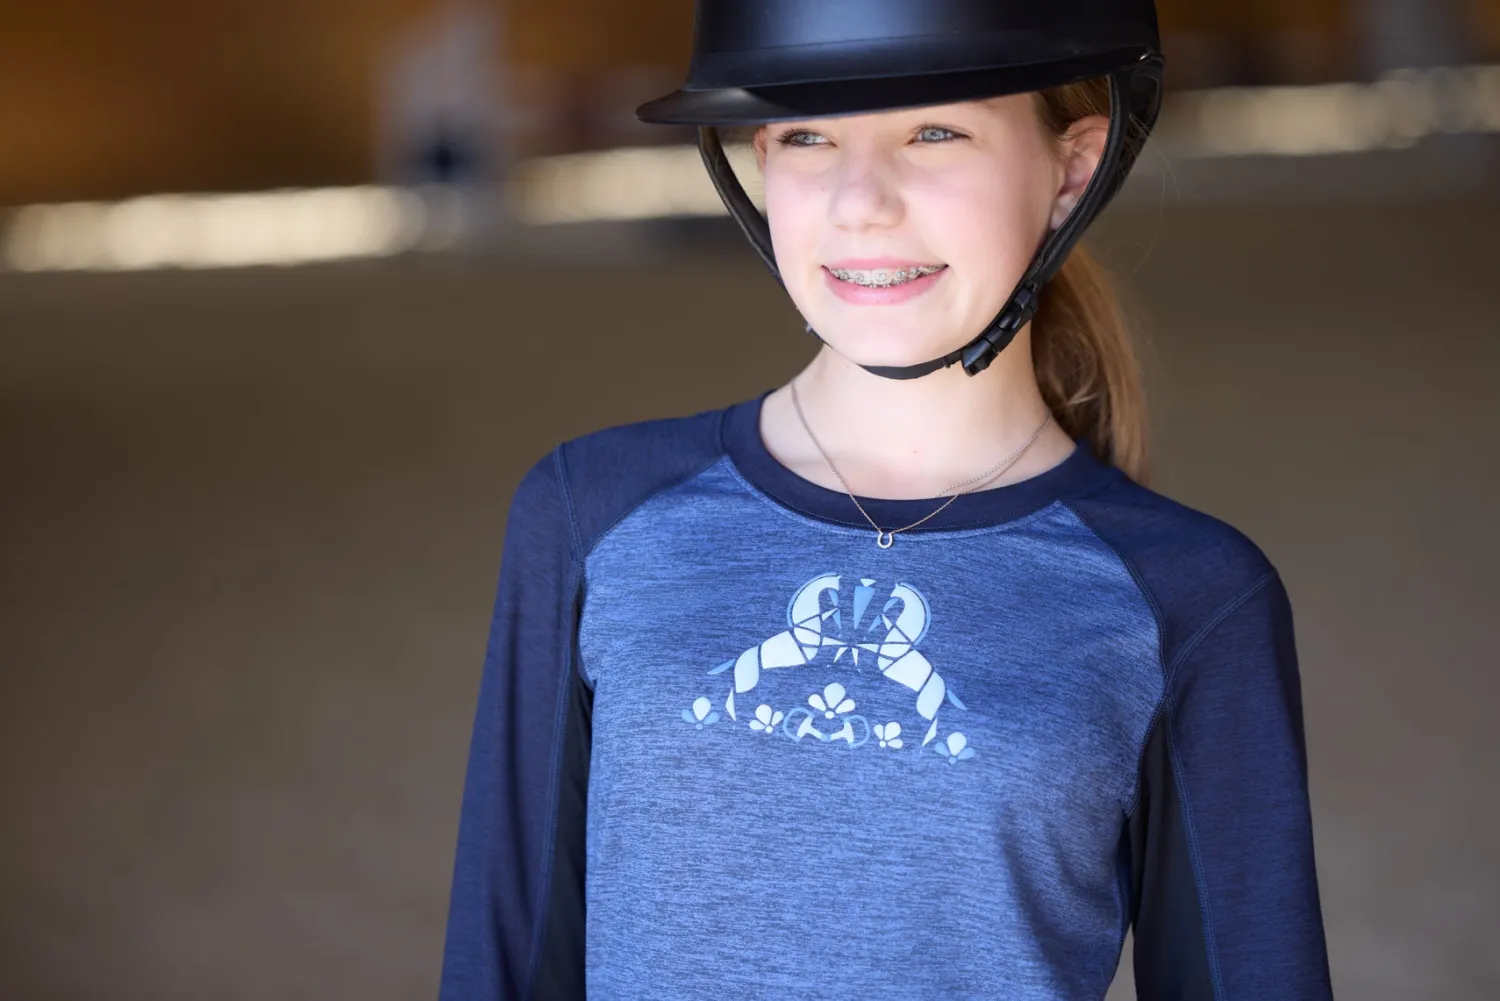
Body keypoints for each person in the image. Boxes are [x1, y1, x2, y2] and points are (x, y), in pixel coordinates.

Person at [437, 1, 1334, 998]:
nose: (860, 202)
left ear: (1072, 170)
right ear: (759, 159)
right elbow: (503, 959)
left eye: (934, 132)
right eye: (807, 137)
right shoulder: (592, 513)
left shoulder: (1192, 597)